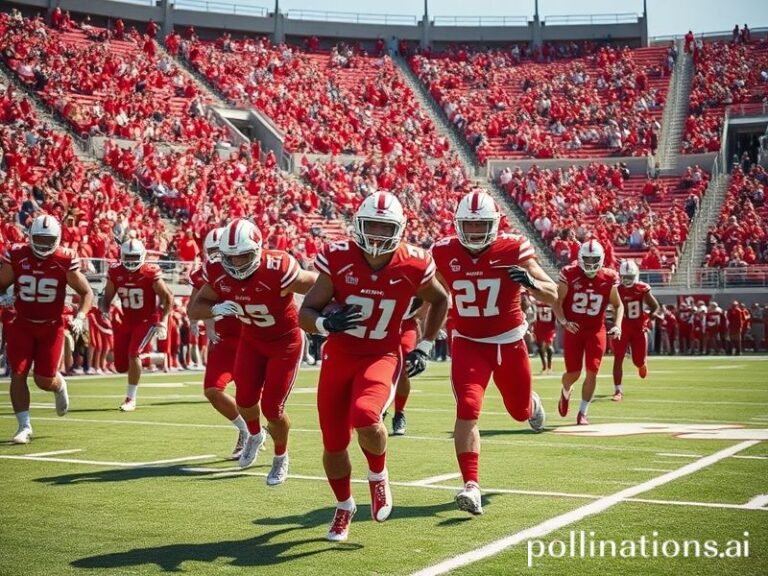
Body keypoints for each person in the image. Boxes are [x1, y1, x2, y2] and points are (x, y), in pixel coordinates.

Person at [299, 191, 448, 542]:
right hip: (339, 356)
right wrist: (324, 325)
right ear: (358, 226)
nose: (378, 235)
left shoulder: (413, 262)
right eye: (372, 226)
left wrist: (424, 345)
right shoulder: (338, 258)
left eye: (385, 227)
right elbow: (306, 311)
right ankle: (344, 506)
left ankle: (378, 476)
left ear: (398, 229)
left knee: (365, 415)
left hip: (382, 354)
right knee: (334, 443)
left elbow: (441, 299)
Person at [432, 191, 557, 515]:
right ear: (459, 225)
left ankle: (531, 404)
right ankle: (471, 485)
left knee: (518, 410)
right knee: (468, 408)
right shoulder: (443, 252)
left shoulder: (513, 248)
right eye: (468, 226)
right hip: (467, 341)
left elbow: (554, 293)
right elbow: (432, 293)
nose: (474, 233)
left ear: (494, 225)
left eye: (480, 226)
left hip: (509, 342)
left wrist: (529, 281)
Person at [189, 219, 317, 485]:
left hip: (285, 342)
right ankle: (255, 435)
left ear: (257, 250)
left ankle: (281, 456)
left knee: (273, 408)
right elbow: (194, 308)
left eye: (243, 256)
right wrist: (215, 309)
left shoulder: (277, 267)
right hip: (252, 340)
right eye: (230, 257)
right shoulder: (217, 271)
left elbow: (317, 286)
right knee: (245, 400)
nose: (236, 264)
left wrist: (323, 315)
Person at [0, 215, 94, 444]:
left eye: (48, 240)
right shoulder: (18, 255)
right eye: (39, 239)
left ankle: (59, 384)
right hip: (22, 323)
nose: (43, 244)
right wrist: (4, 297)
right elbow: (1, 285)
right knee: (18, 373)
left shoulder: (63, 259)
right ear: (30, 236)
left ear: (57, 239)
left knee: (43, 380)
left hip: (52, 327)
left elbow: (87, 293)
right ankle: (24, 425)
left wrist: (81, 316)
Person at [186, 228, 249, 459]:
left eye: (218, 251)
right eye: (211, 251)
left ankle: (272, 444)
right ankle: (246, 430)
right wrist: (209, 320)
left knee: (251, 398)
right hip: (224, 339)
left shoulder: (252, 269)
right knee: (213, 390)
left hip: (251, 339)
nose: (216, 256)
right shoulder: (205, 273)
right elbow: (193, 308)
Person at [554, 239, 623, 425]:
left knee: (593, 370)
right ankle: (566, 391)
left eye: (594, 260)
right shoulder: (569, 273)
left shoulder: (609, 277)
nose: (591, 264)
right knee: (573, 374)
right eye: (587, 259)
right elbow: (557, 303)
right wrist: (564, 322)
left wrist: (617, 325)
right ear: (580, 258)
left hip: (595, 330)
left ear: (601, 259)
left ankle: (582, 413)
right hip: (574, 330)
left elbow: (618, 305)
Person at [102, 239, 173, 411]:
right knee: (120, 366)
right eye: (128, 257)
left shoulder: (149, 273)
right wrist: (105, 310)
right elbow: (107, 297)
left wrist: (163, 321)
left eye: (135, 257)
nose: (131, 261)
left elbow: (168, 297)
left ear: (142, 256)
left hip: (147, 320)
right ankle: (153, 358)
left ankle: (130, 399)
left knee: (133, 353)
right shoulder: (115, 271)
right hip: (126, 321)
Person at [611, 260, 660, 401]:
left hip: (638, 328)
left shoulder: (642, 288)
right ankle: (618, 390)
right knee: (618, 358)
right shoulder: (616, 289)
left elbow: (655, 306)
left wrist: (650, 317)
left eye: (629, 277)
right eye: (624, 277)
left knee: (637, 361)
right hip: (622, 327)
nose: (627, 280)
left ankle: (642, 364)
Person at [390, 298, 425, 436]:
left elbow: (433, 297)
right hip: (378, 321)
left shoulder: (413, 276)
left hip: (405, 323)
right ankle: (380, 408)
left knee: (405, 364)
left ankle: (399, 413)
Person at [533, 299, 557, 374]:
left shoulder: (538, 301)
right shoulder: (550, 301)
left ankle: (548, 366)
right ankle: (545, 366)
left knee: (548, 346)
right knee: (541, 346)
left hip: (547, 326)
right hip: (542, 325)